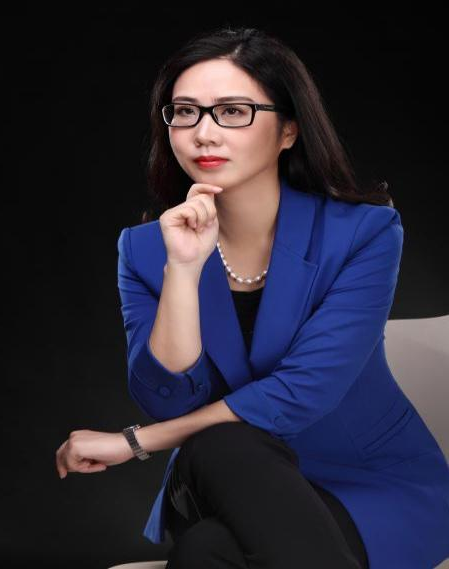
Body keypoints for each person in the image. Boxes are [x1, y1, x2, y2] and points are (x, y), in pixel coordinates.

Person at [55, 26, 449, 568]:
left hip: (371, 491)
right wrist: (183, 270)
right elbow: (167, 398)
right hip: (223, 478)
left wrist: (135, 442)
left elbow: (300, 393)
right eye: (185, 112)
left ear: (288, 130)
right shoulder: (145, 249)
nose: (204, 133)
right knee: (222, 445)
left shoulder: (363, 233)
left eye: (232, 112)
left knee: (205, 550)